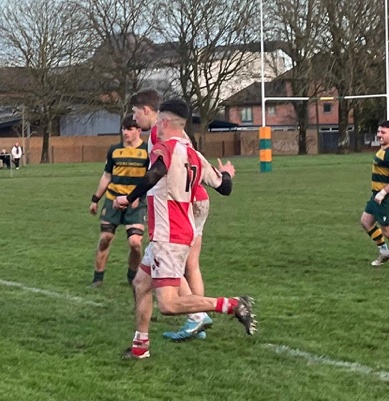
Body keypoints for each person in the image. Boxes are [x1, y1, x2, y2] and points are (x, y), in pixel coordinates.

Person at [114, 99, 256, 359]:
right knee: (141, 283)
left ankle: (233, 305)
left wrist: (129, 197)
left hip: (170, 234)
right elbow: (224, 188)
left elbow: (155, 172)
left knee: (168, 304)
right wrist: (225, 173)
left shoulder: (165, 147)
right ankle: (140, 347)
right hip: (177, 231)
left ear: (164, 123)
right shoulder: (194, 154)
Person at [131, 89, 213, 340]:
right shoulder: (176, 131)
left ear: (147, 111)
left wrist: (134, 196)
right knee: (185, 263)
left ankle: (200, 313)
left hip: (182, 202)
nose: (134, 120)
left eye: (135, 113)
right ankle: (196, 315)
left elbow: (161, 170)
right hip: (192, 197)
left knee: (178, 262)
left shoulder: (160, 130)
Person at [89, 116, 149, 289]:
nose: (125, 132)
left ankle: (132, 276)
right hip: (113, 200)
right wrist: (95, 199)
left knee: (135, 243)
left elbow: (150, 178)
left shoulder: (147, 151)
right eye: (124, 128)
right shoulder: (114, 150)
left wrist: (139, 195)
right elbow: (107, 176)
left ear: (139, 130)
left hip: (136, 202)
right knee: (105, 238)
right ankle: (98, 278)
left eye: (130, 129)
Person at [361, 120, 389, 266]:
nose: (379, 135)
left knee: (387, 230)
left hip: (385, 197)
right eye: (378, 132)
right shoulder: (382, 149)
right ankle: (384, 251)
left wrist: (383, 192)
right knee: (366, 221)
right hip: (376, 196)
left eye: (383, 132)